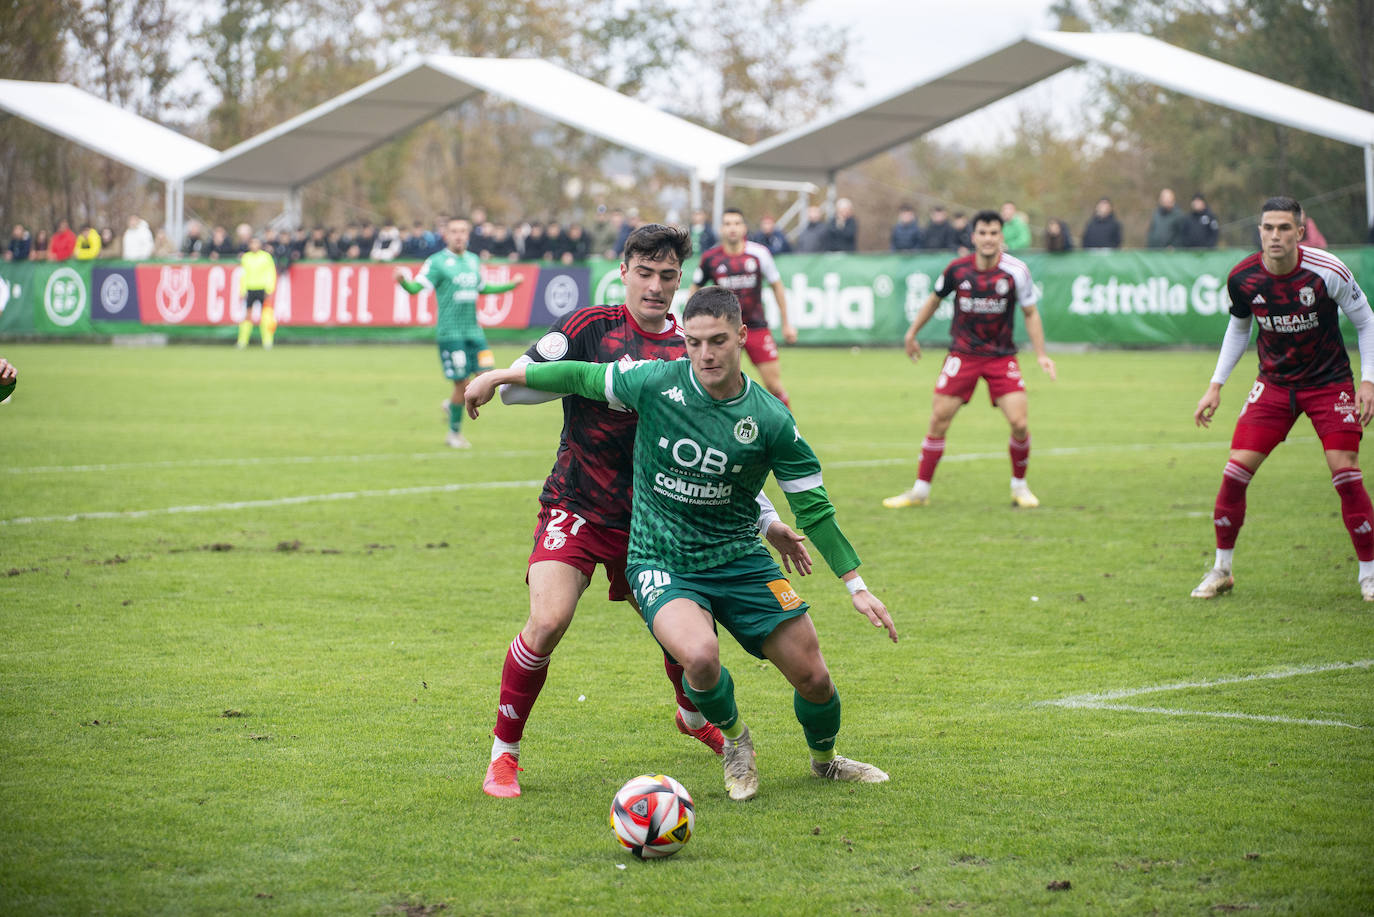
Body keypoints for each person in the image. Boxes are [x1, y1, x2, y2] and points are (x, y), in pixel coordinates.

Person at [466, 286, 899, 802]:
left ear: (741, 336)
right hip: (658, 553)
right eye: (694, 342)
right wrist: (500, 374)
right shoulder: (657, 381)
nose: (705, 354)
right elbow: (577, 375)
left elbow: (814, 510)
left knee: (814, 677)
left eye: (718, 341)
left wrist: (856, 585)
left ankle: (825, 760)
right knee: (697, 654)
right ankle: (736, 740)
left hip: (738, 555)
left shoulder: (772, 419)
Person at [1191, 195, 1374, 601]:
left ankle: (1369, 573)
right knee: (1234, 473)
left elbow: (1366, 321)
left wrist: (1368, 382)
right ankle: (1222, 569)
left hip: (1329, 383)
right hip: (1274, 385)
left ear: (1300, 232)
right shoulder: (1242, 278)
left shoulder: (1327, 271)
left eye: (1284, 228)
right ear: (1260, 231)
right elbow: (1239, 329)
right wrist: (1216, 384)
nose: (1275, 236)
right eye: (1268, 228)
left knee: (1345, 474)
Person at [885, 209, 1057, 510]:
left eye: (994, 233)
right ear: (974, 236)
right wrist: (912, 333)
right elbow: (934, 300)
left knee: (1019, 422)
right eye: (983, 233)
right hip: (963, 354)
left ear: (1001, 237)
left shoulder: (1016, 271)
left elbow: (1030, 312)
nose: (988, 239)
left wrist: (1041, 354)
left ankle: (1020, 487)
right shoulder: (957, 269)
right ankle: (920, 492)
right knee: (938, 419)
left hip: (1002, 357)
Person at [394, 217, 521, 448]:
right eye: (454, 231)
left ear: (468, 234)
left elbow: (483, 288)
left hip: (474, 332)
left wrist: (511, 285)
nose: (459, 235)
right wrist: (403, 282)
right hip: (451, 334)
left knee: (488, 379)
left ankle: (451, 405)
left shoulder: (473, 260)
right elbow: (415, 289)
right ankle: (453, 434)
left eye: (463, 231)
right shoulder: (437, 262)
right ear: (446, 235)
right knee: (461, 385)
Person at [689, 207, 798, 405]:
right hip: (723, 332)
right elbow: (694, 291)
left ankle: (788, 433)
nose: (732, 228)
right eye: (728, 224)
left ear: (744, 228)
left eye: (737, 223)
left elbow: (777, 287)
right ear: (721, 229)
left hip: (756, 327)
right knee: (718, 387)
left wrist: (786, 324)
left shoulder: (759, 254)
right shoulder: (710, 258)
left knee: (774, 386)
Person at [236, 237, 278, 350]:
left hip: (262, 289)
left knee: (266, 316)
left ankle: (267, 341)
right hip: (250, 289)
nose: (254, 245)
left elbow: (271, 273)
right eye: (252, 243)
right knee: (247, 316)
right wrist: (242, 290)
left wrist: (269, 289)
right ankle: (243, 341)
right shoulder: (246, 258)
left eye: (256, 243)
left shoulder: (266, 257)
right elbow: (243, 275)